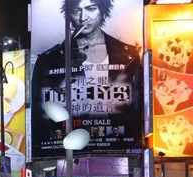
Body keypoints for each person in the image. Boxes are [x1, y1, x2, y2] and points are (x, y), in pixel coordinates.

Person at [31, 0, 141, 151]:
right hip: (69, 145)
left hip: (120, 143)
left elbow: (137, 103)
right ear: (69, 14)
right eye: (76, 11)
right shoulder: (49, 59)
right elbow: (39, 113)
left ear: (102, 10)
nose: (83, 17)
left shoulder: (128, 54)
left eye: (91, 8)